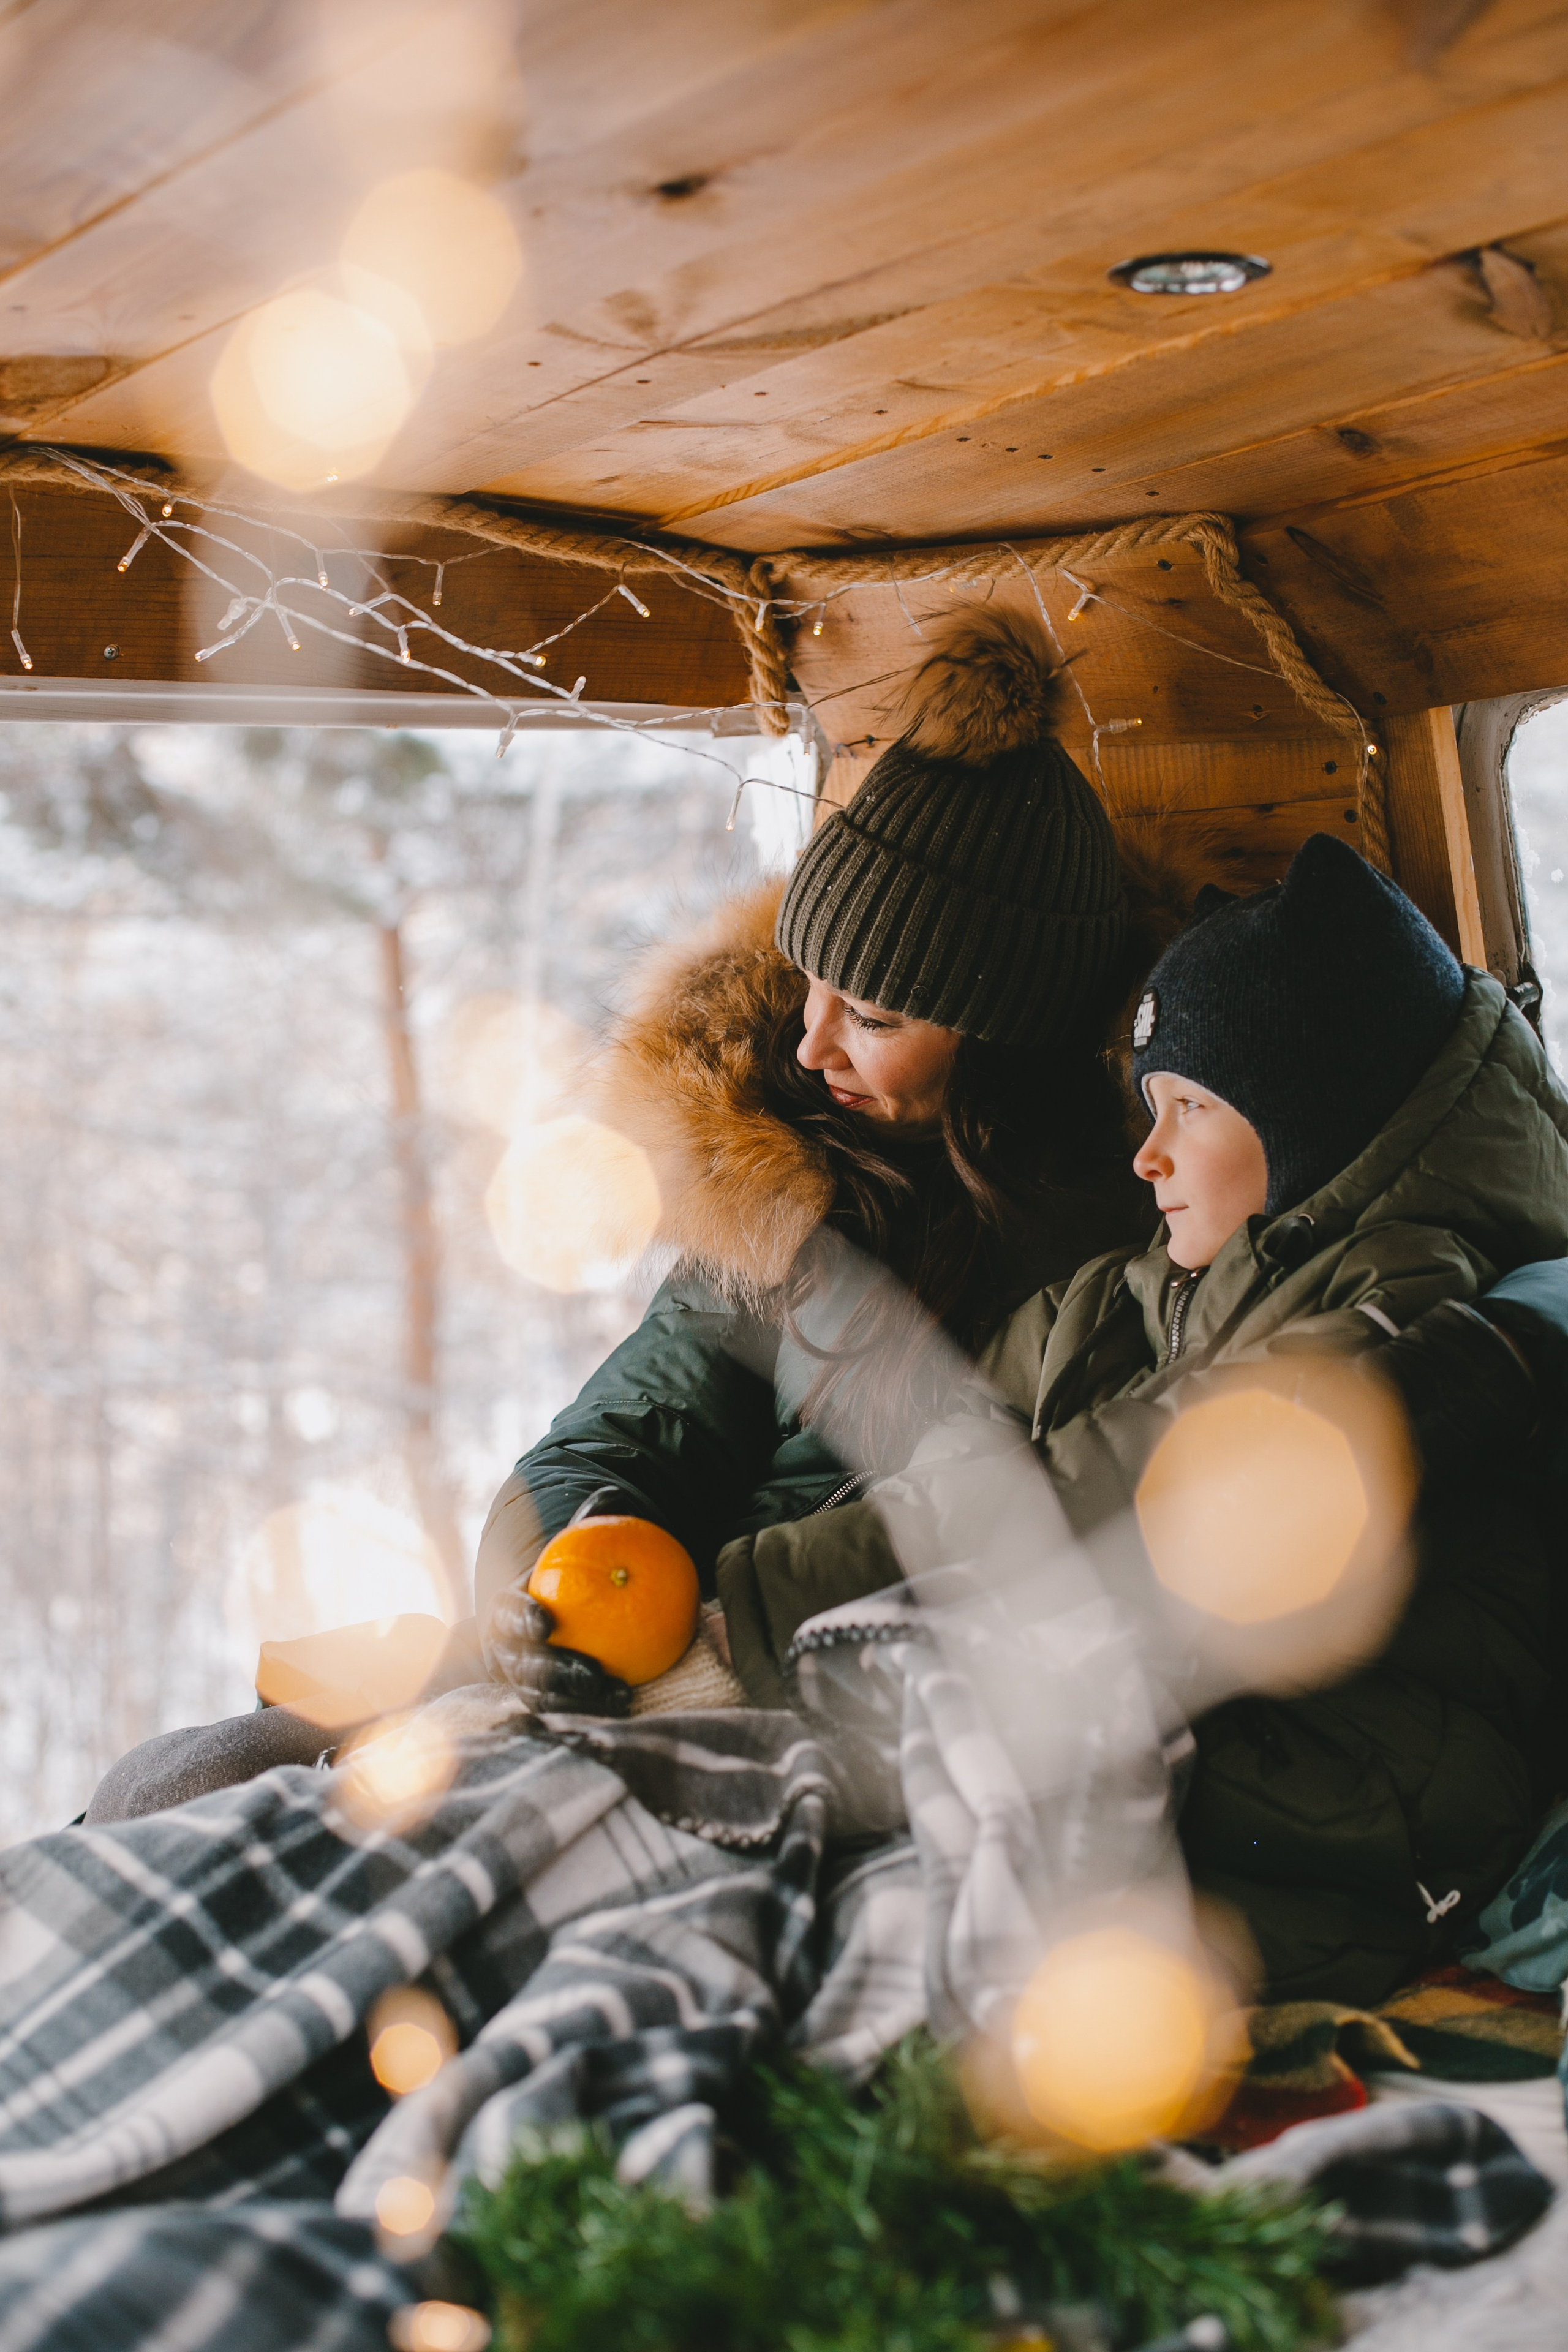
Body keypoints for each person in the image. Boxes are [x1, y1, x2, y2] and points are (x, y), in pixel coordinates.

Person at [85, 611, 1181, 1819]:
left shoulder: (1124, 1250)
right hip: (613, 1645)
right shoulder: (791, 1172)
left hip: (795, 1689)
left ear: (1004, 1030)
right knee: (175, 1778)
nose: (809, 1042)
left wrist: (710, 1627)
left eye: (871, 1016)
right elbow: (625, 1430)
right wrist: (560, 1569)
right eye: (810, 985)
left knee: (284, 1832)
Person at [710, 833, 1568, 2006]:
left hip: (1373, 1787)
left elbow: (1136, 1480)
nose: (1148, 1153)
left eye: (1192, 1108)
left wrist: (747, 1622)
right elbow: (958, 1436)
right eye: (1149, 1106)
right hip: (1230, 1718)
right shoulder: (1141, 1290)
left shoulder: (1403, 1298)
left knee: (860, 1837)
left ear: (1313, 1122)